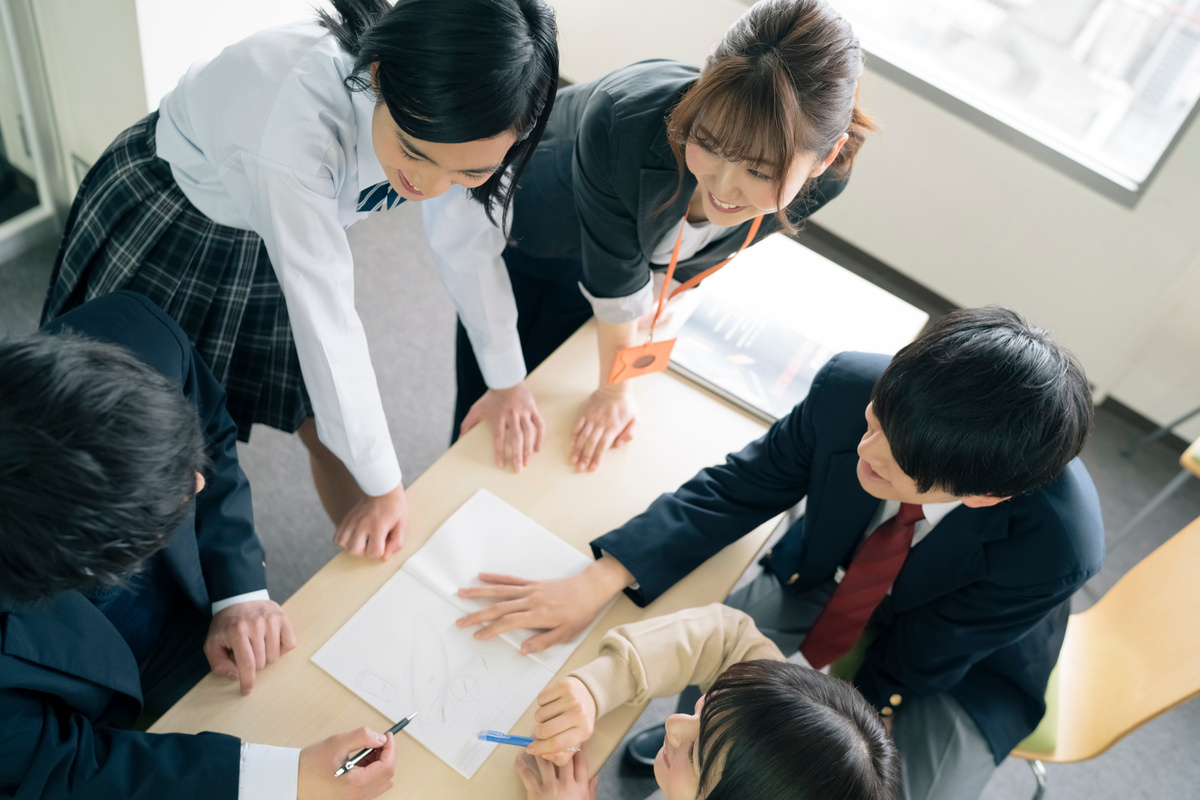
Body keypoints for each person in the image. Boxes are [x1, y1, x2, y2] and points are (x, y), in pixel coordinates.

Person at [455, 307, 1106, 800]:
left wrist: (784, 747)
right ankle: (704, 758)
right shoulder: (853, 386)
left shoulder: (1056, 543)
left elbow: (919, 660)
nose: (865, 453)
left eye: (896, 463)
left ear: (985, 495)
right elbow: (744, 485)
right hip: (824, 577)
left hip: (958, 673)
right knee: (712, 684)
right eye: (877, 422)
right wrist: (602, 577)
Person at [42, 0, 559, 561]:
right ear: (380, 77)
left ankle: (385, 564)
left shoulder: (492, 114)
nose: (430, 186)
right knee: (138, 441)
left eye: (468, 171)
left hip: (286, 228)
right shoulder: (298, 125)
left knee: (326, 422)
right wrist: (386, 486)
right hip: (180, 215)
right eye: (413, 151)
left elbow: (466, 244)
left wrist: (506, 378)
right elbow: (328, 321)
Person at [0, 292, 397, 799]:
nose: (196, 484)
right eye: (159, 504)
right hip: (65, 713)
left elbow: (210, 435)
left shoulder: (136, 337)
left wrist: (239, 595)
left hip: (189, 606)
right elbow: (64, 766)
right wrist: (284, 781)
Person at [450, 0, 874, 471]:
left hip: (632, 257)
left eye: (759, 170)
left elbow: (723, 240)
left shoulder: (828, 179)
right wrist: (614, 390)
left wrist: (668, 284)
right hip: (542, 223)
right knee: (492, 396)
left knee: (551, 405)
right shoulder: (623, 117)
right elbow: (615, 278)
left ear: (825, 156)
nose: (724, 186)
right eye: (709, 144)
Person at [515, 604, 899, 800]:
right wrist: (598, 685)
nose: (672, 722)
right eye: (705, 707)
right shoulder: (775, 712)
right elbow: (726, 637)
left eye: (697, 753)